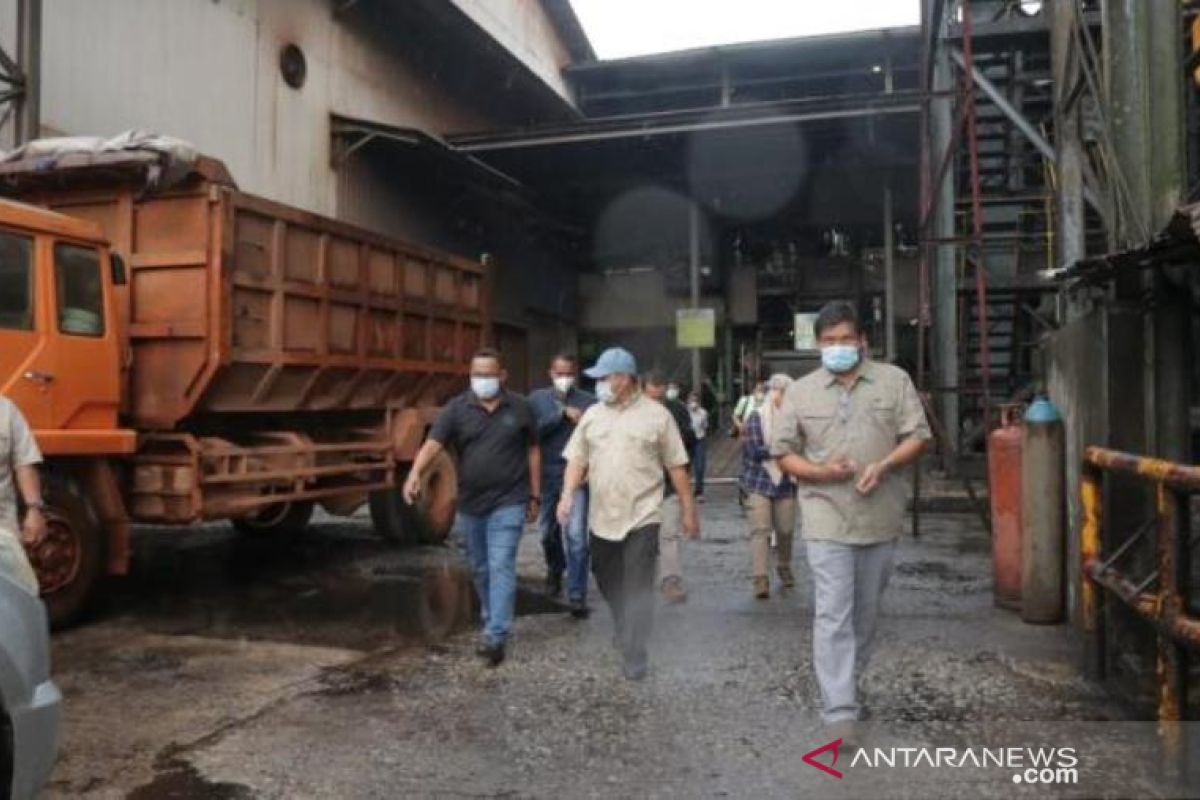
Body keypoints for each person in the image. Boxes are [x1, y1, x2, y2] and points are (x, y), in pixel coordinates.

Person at [771, 301, 930, 744]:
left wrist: (882, 465)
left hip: (880, 516)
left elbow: (917, 436)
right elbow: (782, 452)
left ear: (862, 341)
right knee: (833, 612)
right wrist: (821, 473)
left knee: (866, 613)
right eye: (829, 342)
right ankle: (839, 709)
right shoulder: (801, 393)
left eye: (845, 340)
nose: (838, 348)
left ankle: (849, 680)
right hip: (825, 514)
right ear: (818, 345)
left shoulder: (893, 381)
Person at [559, 348, 699, 681]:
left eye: (606, 377)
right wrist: (566, 495)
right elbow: (576, 460)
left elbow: (677, 467)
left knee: (637, 583)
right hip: (602, 516)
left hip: (643, 514)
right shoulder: (593, 415)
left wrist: (688, 511)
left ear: (624, 378)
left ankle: (636, 650)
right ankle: (623, 622)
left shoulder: (657, 416)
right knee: (607, 577)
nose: (601, 384)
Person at [403, 348, 540, 667]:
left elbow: (533, 450)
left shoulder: (521, 408)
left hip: (510, 500)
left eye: (488, 374)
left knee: (501, 563)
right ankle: (492, 615)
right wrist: (415, 472)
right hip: (472, 504)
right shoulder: (457, 409)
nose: (482, 380)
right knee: (480, 566)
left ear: (502, 376)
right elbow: (434, 444)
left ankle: (496, 636)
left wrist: (535, 495)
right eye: (477, 374)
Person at [527, 353, 594, 616]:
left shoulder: (589, 403)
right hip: (546, 475)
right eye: (559, 373)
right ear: (550, 373)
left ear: (575, 373)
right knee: (546, 533)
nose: (564, 378)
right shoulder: (536, 401)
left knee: (576, 536)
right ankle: (556, 568)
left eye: (568, 373)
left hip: (576, 478)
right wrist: (560, 416)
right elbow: (532, 434)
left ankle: (577, 594)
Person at [739, 374, 797, 599]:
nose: (783, 398)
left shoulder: (794, 419)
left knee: (786, 529)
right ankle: (760, 578)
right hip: (758, 480)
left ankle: (784, 564)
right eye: (780, 392)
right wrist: (782, 449)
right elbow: (755, 451)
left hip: (786, 480)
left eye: (786, 393)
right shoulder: (757, 417)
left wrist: (782, 450)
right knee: (760, 530)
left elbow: (801, 445)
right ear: (773, 392)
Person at [642, 370, 697, 604]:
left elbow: (689, 444)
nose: (656, 402)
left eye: (660, 397)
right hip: (641, 486)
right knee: (641, 538)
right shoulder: (634, 414)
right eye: (652, 398)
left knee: (669, 534)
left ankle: (670, 579)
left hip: (670, 483)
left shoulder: (678, 411)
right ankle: (638, 582)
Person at [0, 396, 46, 595]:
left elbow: (24, 462)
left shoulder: (6, 411)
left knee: (24, 592)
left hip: (2, 530)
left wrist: (34, 510)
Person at [686, 391, 709, 501]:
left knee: (700, 467)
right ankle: (685, 492)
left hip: (699, 439)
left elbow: (705, 426)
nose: (693, 403)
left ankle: (699, 491)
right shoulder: (684, 412)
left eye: (695, 401)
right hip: (687, 440)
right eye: (691, 401)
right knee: (686, 466)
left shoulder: (703, 413)